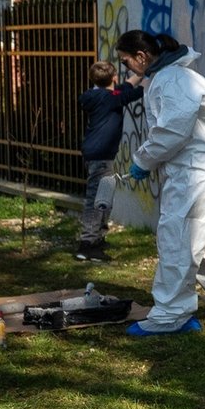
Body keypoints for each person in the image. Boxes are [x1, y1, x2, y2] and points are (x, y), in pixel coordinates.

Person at [115, 30, 205, 336]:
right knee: (196, 240)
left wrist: (143, 160)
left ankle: (172, 314)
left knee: (177, 241)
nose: (126, 67)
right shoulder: (171, 78)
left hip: (195, 174)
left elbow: (172, 131)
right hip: (194, 171)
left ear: (141, 57)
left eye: (126, 61)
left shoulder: (173, 80)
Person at [75, 60, 143, 261]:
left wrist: (141, 73)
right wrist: (150, 76)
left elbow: (125, 88)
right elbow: (134, 92)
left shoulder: (94, 96)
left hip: (95, 154)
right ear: (114, 77)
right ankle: (87, 244)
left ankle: (96, 238)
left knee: (103, 198)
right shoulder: (112, 98)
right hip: (101, 157)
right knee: (97, 200)